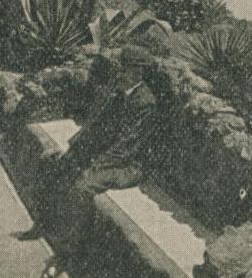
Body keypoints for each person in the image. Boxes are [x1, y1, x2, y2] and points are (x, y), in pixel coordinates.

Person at [15, 47, 174, 276]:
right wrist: (74, 149)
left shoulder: (146, 103)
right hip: (106, 156)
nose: (119, 71)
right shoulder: (119, 90)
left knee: (81, 188)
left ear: (138, 72)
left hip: (128, 166)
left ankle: (65, 256)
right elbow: (96, 124)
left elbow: (127, 146)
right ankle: (43, 224)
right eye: (120, 66)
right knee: (54, 165)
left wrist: (94, 166)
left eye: (125, 68)